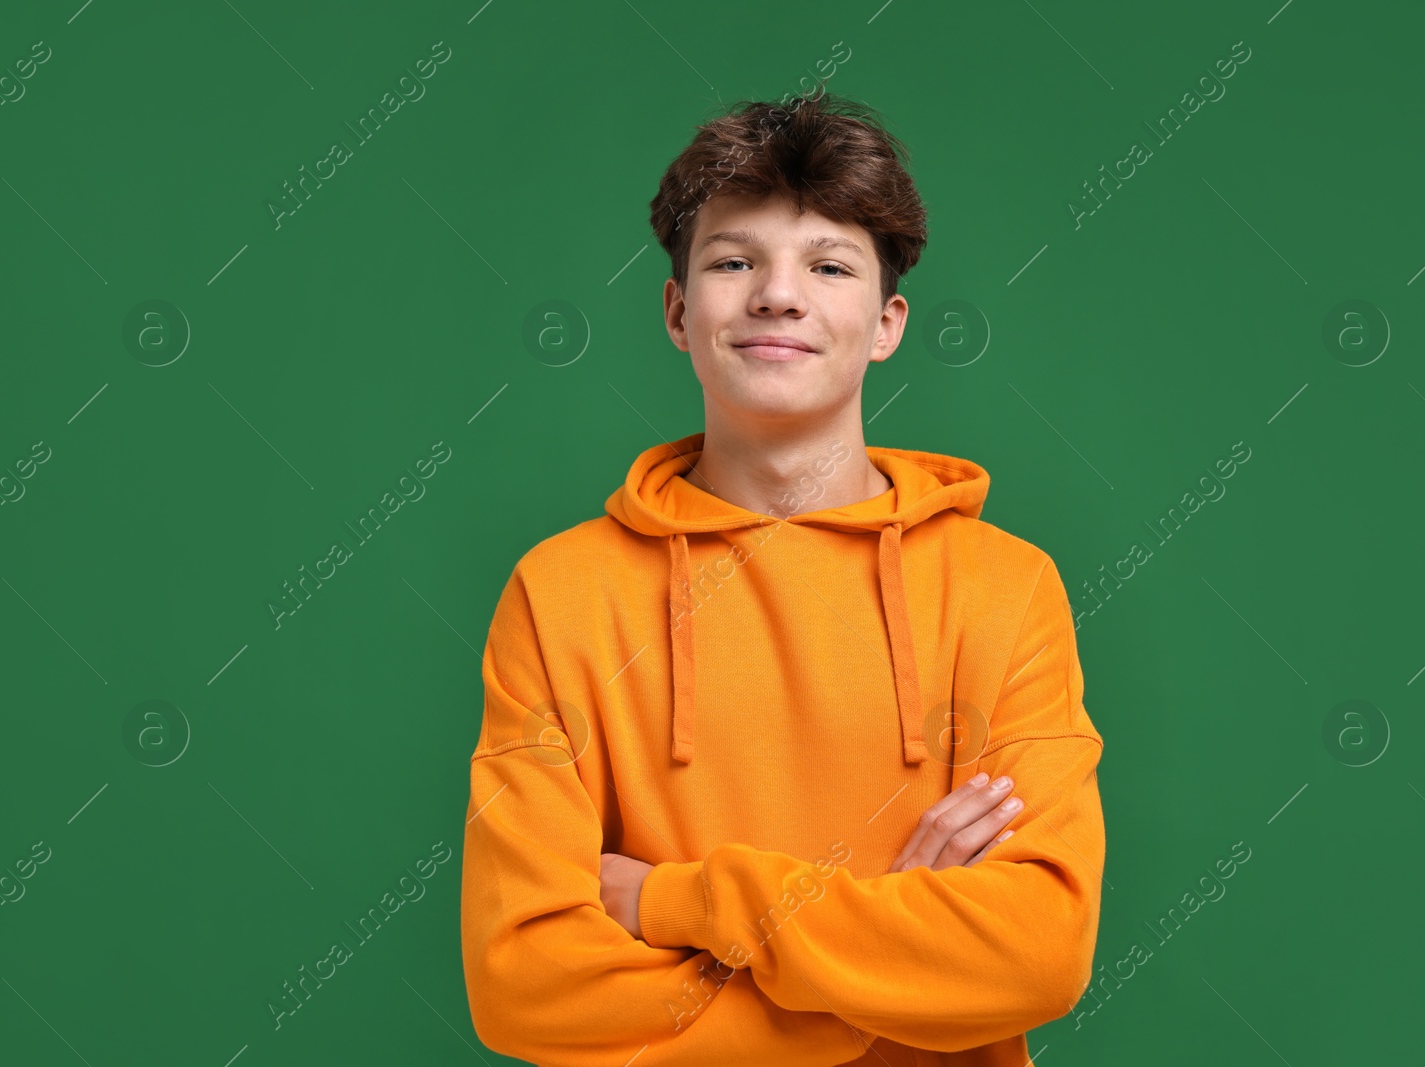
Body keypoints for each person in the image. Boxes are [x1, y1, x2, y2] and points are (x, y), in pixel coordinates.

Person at [460, 90, 1106, 1066]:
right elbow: (528, 982)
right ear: (679, 312)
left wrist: (673, 898)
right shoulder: (560, 593)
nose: (777, 294)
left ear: (886, 323)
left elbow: (1036, 953)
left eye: (828, 264)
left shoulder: (1005, 589)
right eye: (732, 260)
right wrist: (886, 974)